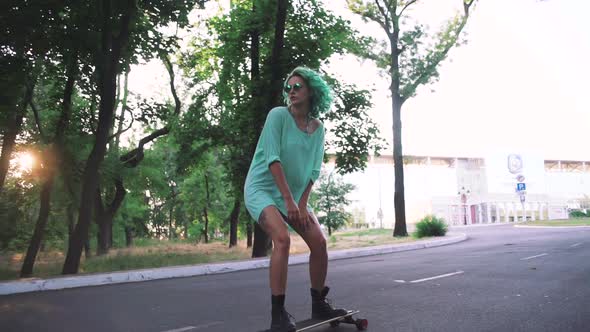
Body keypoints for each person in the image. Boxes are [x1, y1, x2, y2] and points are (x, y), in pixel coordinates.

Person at [244, 67, 347, 332]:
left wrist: (300, 204)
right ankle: (278, 314)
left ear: (312, 91)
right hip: (263, 189)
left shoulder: (318, 128)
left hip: (295, 195)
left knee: (320, 243)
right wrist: (289, 201)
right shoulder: (277, 116)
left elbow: (313, 170)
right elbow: (272, 160)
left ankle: (318, 302)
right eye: (289, 87)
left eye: (297, 86)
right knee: (282, 239)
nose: (291, 91)